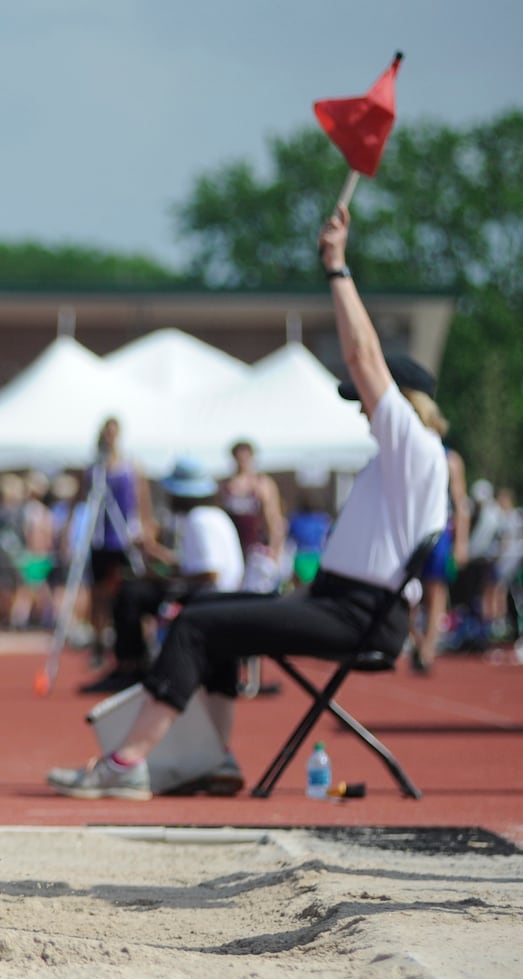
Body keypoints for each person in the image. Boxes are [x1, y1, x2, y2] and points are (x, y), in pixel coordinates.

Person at [44, 204, 449, 800]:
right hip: (341, 603)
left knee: (197, 623)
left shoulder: (413, 444)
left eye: (366, 400)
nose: (361, 408)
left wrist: (336, 267)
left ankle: (126, 764)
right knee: (214, 614)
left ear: (402, 400)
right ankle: (216, 760)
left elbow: (364, 359)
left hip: (358, 616)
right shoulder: (399, 459)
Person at [90, 457, 244, 695]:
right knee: (134, 588)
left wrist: (163, 580)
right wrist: (157, 557)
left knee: (129, 594)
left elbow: (209, 574)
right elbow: (195, 565)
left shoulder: (198, 520)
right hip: (216, 592)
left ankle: (130, 666)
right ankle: (134, 662)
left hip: (209, 597)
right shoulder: (213, 516)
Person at [66, 416, 157, 673]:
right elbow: (79, 498)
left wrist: (147, 528)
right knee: (99, 594)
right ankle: (98, 643)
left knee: (130, 590)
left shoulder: (131, 466)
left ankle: (139, 642)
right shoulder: (94, 469)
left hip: (125, 538)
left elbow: (143, 500)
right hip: (100, 538)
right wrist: (68, 530)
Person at [408, 426, 469, 674]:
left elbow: (460, 502)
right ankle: (417, 639)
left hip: (439, 532)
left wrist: (461, 542)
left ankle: (428, 649)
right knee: (408, 594)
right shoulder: (411, 455)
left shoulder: (450, 460)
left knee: (436, 591)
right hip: (412, 531)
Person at [219, 440, 287, 594]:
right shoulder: (227, 485)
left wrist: (275, 548)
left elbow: (273, 518)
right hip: (235, 543)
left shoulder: (261, 483)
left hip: (257, 545)